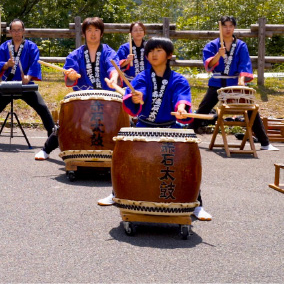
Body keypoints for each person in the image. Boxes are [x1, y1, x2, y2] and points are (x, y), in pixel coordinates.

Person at [96, 37, 212, 221]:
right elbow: (137, 91)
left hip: (169, 128)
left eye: (158, 50)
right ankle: (115, 193)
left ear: (169, 55)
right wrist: (136, 97)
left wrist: (181, 108)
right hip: (144, 127)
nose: (153, 54)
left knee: (183, 166)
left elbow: (181, 96)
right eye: (150, 51)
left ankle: (197, 204)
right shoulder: (142, 77)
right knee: (128, 161)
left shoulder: (178, 79)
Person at [35, 17, 121, 160]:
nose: (93, 34)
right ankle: (46, 149)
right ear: (84, 33)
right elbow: (70, 75)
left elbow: (113, 67)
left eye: (96, 30)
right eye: (89, 30)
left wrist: (114, 77)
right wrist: (73, 76)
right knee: (66, 123)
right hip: (83, 101)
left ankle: (122, 154)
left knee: (123, 124)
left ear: (101, 33)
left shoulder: (108, 52)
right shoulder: (75, 55)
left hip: (107, 101)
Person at [190, 16, 277, 150]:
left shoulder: (241, 45)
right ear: (220, 27)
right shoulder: (212, 45)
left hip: (235, 82)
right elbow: (209, 65)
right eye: (225, 26)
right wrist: (218, 55)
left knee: (250, 109)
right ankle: (188, 134)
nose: (228, 29)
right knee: (204, 107)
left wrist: (241, 81)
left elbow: (244, 64)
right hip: (217, 82)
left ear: (234, 27)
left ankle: (265, 143)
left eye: (231, 26)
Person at [0, 19, 55, 144]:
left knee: (42, 107)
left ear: (23, 31)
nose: (17, 33)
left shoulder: (31, 47)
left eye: (19, 30)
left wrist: (28, 77)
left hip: (25, 85)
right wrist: (6, 64)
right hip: (9, 83)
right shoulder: (5, 46)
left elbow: (35, 64)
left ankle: (52, 135)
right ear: (10, 32)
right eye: (14, 30)